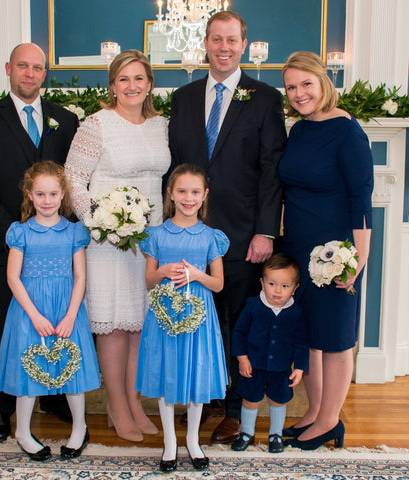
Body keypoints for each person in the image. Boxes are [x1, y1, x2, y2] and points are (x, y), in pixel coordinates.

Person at [168, 11, 287, 444]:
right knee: (199, 321)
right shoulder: (182, 98)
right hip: (191, 235)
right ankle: (206, 398)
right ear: (204, 43)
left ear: (243, 43)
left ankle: (236, 409)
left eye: (231, 40)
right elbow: (176, 167)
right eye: (215, 39)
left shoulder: (266, 98)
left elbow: (272, 170)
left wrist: (265, 232)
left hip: (242, 237)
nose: (223, 47)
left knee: (238, 323)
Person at [0, 43, 79, 443]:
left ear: (45, 73)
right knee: (8, 331)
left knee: (57, 327)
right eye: (23, 67)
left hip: (59, 256)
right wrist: (19, 237)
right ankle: (0, 409)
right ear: (9, 68)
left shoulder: (65, 121)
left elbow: (73, 186)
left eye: (38, 68)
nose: (30, 74)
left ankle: (53, 395)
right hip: (5, 250)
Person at [65, 49, 171, 442]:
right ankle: (116, 404)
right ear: (112, 85)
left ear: (149, 84)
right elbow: (73, 177)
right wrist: (99, 221)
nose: (132, 86)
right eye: (124, 79)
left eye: (139, 78)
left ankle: (131, 402)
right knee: (113, 326)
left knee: (140, 325)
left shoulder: (161, 125)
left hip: (150, 238)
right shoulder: (97, 124)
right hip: (108, 240)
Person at [278, 51, 373, 450]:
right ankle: (315, 412)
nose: (299, 93)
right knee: (311, 335)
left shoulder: (348, 131)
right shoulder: (299, 130)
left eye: (306, 84)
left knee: (334, 339)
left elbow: (361, 199)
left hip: (336, 252)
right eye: (292, 87)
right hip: (299, 247)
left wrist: (358, 260)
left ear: (323, 83)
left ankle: (331, 420)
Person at [0, 161, 100, 460]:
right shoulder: (20, 233)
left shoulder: (75, 233)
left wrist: (69, 316)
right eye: (40, 194)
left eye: (53, 194)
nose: (47, 200)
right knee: (29, 370)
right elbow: (13, 277)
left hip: (67, 310)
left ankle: (79, 428)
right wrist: (35, 316)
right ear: (29, 195)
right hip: (30, 312)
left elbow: (80, 276)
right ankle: (23, 432)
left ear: (63, 194)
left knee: (71, 368)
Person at [136, 163, 228, 472]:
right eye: (182, 191)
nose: (188, 198)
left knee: (195, 375)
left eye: (195, 192)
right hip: (165, 317)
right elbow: (149, 280)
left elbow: (218, 283)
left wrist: (197, 274)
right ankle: (170, 443)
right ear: (170, 194)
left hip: (199, 316)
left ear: (205, 196)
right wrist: (161, 271)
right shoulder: (157, 235)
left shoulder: (211, 237)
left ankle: (192, 440)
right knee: (168, 374)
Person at [231, 254, 309, 454]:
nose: (277, 290)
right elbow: (239, 333)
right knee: (250, 400)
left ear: (294, 288)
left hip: (281, 368)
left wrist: (299, 368)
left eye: (284, 286)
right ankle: (247, 433)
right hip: (253, 366)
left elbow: (301, 343)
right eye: (272, 283)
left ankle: (276, 435)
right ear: (262, 283)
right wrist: (242, 358)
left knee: (278, 400)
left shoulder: (296, 313)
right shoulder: (253, 306)